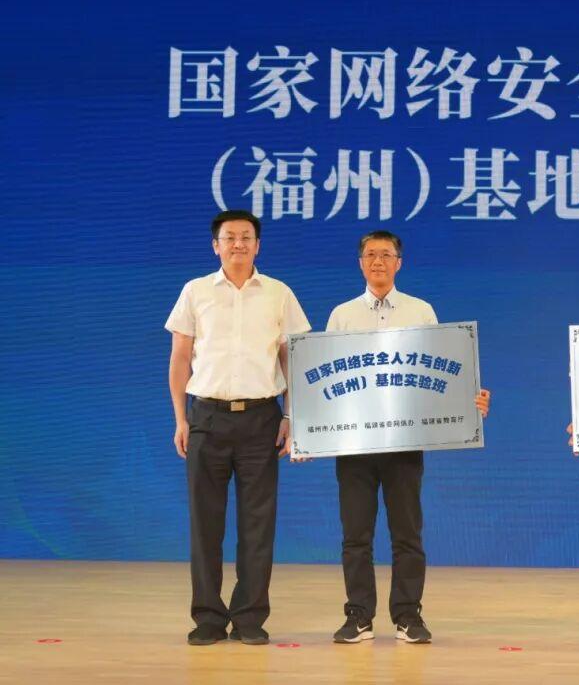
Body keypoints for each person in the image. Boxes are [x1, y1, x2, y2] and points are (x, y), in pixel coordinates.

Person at [326, 230, 491, 645]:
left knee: (407, 534)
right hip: (355, 444)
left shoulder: (421, 311)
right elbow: (325, 377)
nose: (378, 261)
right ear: (360, 263)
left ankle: (407, 616)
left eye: (386, 254)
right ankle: (359, 616)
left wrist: (469, 400)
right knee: (356, 536)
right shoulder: (342, 315)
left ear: (399, 263)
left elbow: (441, 371)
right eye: (370, 254)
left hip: (405, 441)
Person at [166, 210, 311, 646]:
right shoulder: (195, 291)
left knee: (257, 525)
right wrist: (180, 418)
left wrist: (291, 416)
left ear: (258, 245)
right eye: (229, 237)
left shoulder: (279, 293)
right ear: (216, 245)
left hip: (261, 419)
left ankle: (249, 617)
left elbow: (292, 358)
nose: (238, 244)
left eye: (246, 237)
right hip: (206, 418)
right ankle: (208, 618)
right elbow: (180, 358)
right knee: (205, 524)